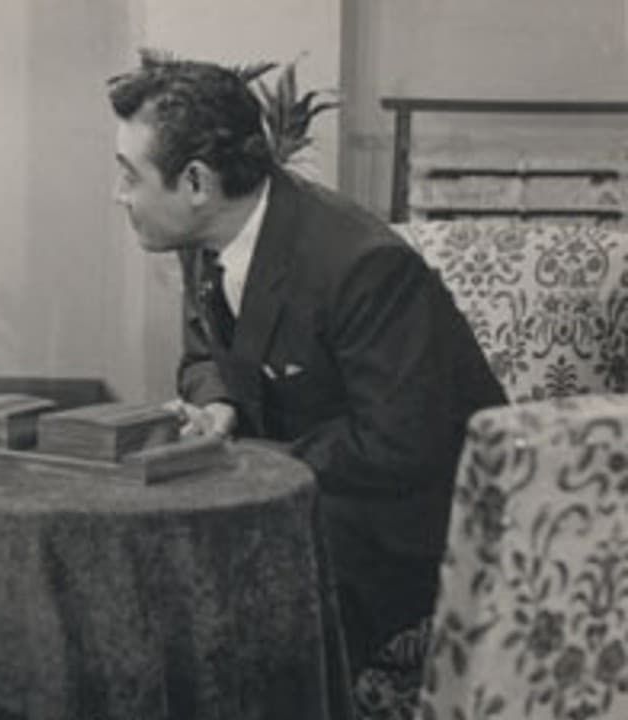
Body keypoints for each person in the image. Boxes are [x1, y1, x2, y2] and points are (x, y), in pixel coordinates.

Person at [106, 51, 506, 676]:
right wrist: (219, 406)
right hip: (301, 495)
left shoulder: (363, 266)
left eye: (130, 176)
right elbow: (204, 353)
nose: (119, 196)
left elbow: (399, 444)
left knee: (237, 622)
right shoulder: (207, 235)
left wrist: (244, 458)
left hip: (405, 529)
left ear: (196, 184)